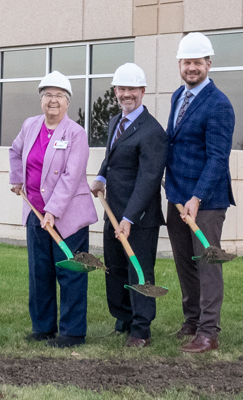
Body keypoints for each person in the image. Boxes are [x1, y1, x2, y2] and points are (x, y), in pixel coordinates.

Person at [7, 71, 97, 349]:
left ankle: (72, 333)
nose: (53, 100)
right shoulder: (30, 125)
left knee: (70, 271)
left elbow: (72, 176)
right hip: (36, 212)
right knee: (40, 271)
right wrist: (16, 179)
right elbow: (15, 151)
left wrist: (53, 211)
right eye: (47, 95)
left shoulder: (76, 133)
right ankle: (43, 327)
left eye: (59, 95)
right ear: (41, 100)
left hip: (67, 217)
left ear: (67, 102)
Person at [162, 32, 238, 354]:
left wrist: (197, 198)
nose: (191, 68)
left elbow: (218, 158)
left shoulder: (219, 105)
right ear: (179, 64)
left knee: (207, 264)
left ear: (209, 63)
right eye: (186, 62)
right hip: (177, 196)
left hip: (205, 201)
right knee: (184, 263)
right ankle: (192, 321)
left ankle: (209, 333)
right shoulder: (177, 96)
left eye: (197, 62)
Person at [89, 63, 168, 348]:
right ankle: (122, 320)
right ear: (115, 91)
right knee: (116, 268)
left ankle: (141, 329)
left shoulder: (152, 132)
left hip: (140, 217)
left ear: (142, 91)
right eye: (121, 89)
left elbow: (149, 180)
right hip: (113, 210)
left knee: (139, 271)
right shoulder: (115, 122)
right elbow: (111, 156)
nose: (126, 94)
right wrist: (100, 177)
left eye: (132, 89)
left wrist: (130, 218)